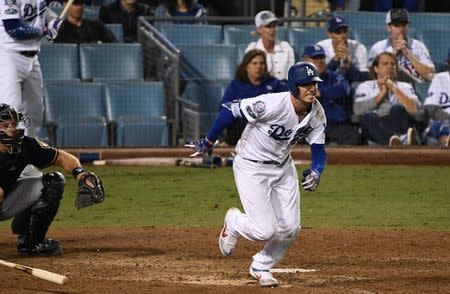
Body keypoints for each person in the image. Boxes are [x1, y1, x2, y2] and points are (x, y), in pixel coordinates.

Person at [186, 62, 327, 287]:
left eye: (314, 83)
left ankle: (261, 265)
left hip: (282, 167)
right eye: (305, 84)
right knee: (264, 230)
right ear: (293, 86)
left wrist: (316, 172)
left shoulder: (317, 113)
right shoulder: (272, 104)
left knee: (290, 228)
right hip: (251, 166)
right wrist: (209, 140)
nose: (311, 88)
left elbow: (319, 150)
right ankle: (233, 221)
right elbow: (230, 109)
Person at [0, 104, 104, 255]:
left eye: (14, 124)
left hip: (5, 203)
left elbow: (62, 157)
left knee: (53, 182)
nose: (12, 129)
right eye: (5, 125)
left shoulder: (25, 145)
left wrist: (81, 174)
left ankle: (32, 243)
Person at [0, 0, 62, 177]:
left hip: (33, 58)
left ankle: (25, 161)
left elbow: (42, 11)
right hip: (8, 56)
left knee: (35, 113)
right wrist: (44, 30)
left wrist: (54, 21)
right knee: (9, 114)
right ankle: (6, 166)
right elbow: (14, 28)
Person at [221, 49, 288, 145]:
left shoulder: (274, 83)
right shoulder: (235, 85)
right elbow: (224, 108)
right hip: (241, 130)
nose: (258, 67)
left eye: (261, 63)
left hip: (269, 130)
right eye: (254, 63)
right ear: (246, 66)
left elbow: (289, 102)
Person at [354, 52, 421, 146]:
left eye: (393, 64)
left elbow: (415, 110)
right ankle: (397, 140)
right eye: (385, 64)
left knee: (397, 108)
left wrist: (394, 88)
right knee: (368, 117)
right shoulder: (365, 86)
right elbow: (358, 110)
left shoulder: (405, 86)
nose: (390, 67)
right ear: (376, 68)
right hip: (376, 127)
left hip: (398, 124)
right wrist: (382, 93)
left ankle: (397, 140)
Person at [302, 44, 361, 145]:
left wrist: (320, 93)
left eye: (322, 58)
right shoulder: (299, 79)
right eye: (315, 58)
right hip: (311, 127)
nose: (320, 61)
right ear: (305, 61)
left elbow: (344, 89)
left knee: (353, 136)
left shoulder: (333, 76)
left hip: (337, 125)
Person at [368, 8, 435, 82]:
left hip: (415, 89)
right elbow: (372, 75)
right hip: (388, 87)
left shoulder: (418, 46)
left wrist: (407, 53)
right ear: (388, 27)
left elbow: (430, 75)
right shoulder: (378, 48)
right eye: (397, 25)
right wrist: (393, 53)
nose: (401, 29)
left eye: (404, 25)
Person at [316, 16, 369, 83]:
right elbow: (320, 77)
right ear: (329, 34)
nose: (343, 35)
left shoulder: (358, 47)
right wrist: (335, 61)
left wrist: (348, 64)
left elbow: (364, 77)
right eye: (338, 32)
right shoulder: (321, 47)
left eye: (345, 31)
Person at [245, 10, 295, 81]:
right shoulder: (252, 49)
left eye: (274, 26)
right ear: (259, 29)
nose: (272, 29)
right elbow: (249, 78)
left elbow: (290, 76)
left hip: (283, 89)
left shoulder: (286, 48)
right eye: (268, 26)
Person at [423, 49, 450, 148]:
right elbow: (431, 108)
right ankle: (447, 142)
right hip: (442, 122)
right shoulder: (440, 78)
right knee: (440, 125)